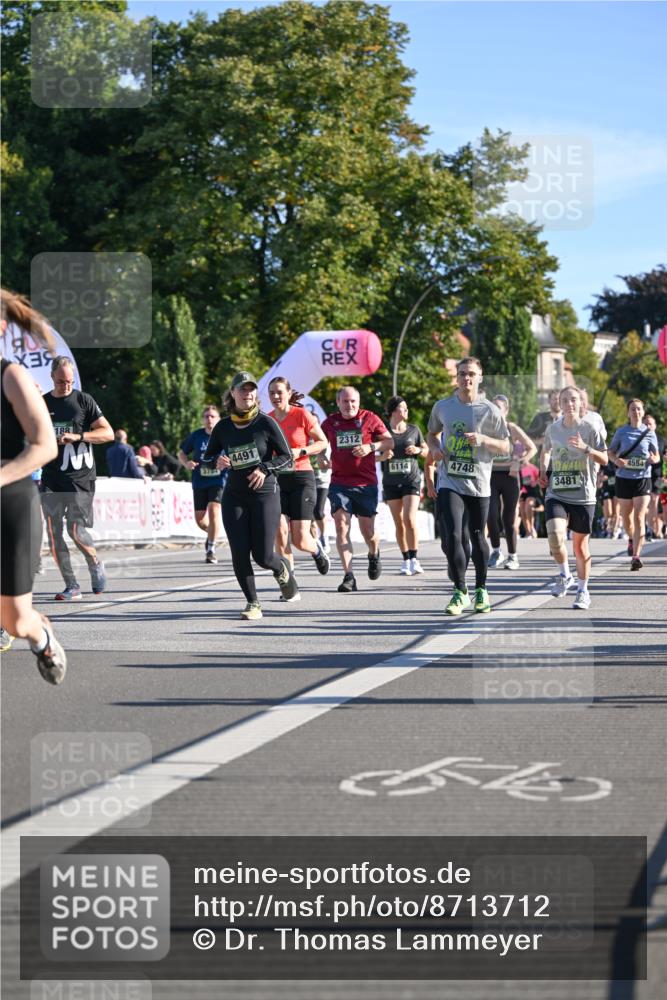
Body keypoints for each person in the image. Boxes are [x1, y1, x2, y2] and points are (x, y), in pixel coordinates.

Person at [0, 289, 67, 683]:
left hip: (11, 504)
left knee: (15, 620)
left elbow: (45, 445)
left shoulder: (11, 376)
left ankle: (42, 638)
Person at [201, 372, 298, 619]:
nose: (248, 394)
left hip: (265, 494)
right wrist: (217, 460)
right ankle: (253, 603)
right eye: (242, 390)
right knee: (239, 551)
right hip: (235, 494)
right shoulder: (223, 427)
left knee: (263, 556)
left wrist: (264, 469)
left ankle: (281, 569)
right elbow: (206, 456)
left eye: (251, 389)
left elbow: (287, 456)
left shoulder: (266, 423)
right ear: (232, 394)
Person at [427, 357, 510, 615]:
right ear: (457, 377)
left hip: (479, 482)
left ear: (480, 377)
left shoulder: (490, 411)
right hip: (450, 480)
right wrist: (435, 448)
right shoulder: (443, 407)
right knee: (452, 535)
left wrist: (484, 439)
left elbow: (506, 446)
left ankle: (481, 589)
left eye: (471, 374)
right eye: (462, 374)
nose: (467, 379)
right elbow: (431, 434)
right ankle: (459, 591)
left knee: (476, 536)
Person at [40, 356, 114, 601]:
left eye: (70, 382)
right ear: (52, 377)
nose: (66, 386)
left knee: (75, 529)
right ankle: (71, 585)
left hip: (79, 477)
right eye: (61, 382)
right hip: (51, 476)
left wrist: (79, 436)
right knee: (53, 532)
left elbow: (108, 433)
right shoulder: (42, 404)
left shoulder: (83, 400)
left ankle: (94, 561)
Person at [539, 385, 608, 609]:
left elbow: (605, 460)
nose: (570, 404)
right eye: (565, 400)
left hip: (583, 494)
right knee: (556, 537)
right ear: (560, 404)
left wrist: (586, 448)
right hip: (557, 492)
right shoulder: (553, 429)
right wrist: (543, 470)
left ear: (581, 404)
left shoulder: (590, 428)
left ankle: (582, 590)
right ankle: (565, 574)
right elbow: (546, 450)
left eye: (574, 400)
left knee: (580, 548)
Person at [320, 386, 393, 593]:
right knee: (341, 527)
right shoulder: (331, 422)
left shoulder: (370, 418)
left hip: (365, 483)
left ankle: (374, 552)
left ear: (358, 402)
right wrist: (319, 456)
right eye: (345, 401)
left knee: (367, 531)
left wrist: (371, 447)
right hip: (340, 483)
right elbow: (317, 441)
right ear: (338, 402)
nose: (349, 405)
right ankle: (348, 576)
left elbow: (389, 441)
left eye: (353, 401)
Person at [268, 377, 330, 585]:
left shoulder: (301, 414)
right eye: (272, 393)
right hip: (277, 479)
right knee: (279, 531)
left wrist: (301, 451)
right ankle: (288, 581)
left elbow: (322, 442)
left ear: (288, 393)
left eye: (279, 392)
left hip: (302, 478)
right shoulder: (267, 420)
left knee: (300, 540)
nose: (276, 397)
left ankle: (316, 550)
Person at [608, 399, 660, 570]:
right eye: (632, 409)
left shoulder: (650, 433)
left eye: (639, 409)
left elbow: (657, 456)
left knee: (639, 517)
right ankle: (631, 538)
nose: (636, 412)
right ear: (628, 413)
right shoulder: (621, 432)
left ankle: (636, 556)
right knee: (628, 519)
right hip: (623, 478)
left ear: (643, 412)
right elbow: (610, 452)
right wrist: (617, 460)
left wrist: (654, 459)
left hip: (642, 479)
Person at [379, 395, 428, 576]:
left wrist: (418, 450)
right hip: (391, 482)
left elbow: (427, 451)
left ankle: (415, 559)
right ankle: (405, 559)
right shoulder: (383, 432)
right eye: (403, 408)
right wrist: (382, 457)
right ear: (393, 411)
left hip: (411, 480)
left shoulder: (414, 430)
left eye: (407, 408)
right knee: (398, 522)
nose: (406, 411)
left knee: (409, 518)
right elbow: (370, 456)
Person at [487, 394, 536, 570]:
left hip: (510, 477)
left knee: (508, 518)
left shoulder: (511, 428)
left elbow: (532, 448)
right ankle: (496, 551)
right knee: (491, 515)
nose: (495, 411)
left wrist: (520, 461)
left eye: (498, 407)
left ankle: (513, 556)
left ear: (505, 411)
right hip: (491, 477)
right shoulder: (484, 428)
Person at [179, 405, 226, 564]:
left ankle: (210, 550)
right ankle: (212, 534)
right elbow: (182, 453)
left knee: (214, 509)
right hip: (200, 480)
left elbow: (235, 453)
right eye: (206, 416)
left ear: (218, 419)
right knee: (200, 521)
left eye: (213, 416)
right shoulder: (197, 436)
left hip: (219, 480)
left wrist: (228, 462)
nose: (209, 419)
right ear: (202, 419)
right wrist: (186, 463)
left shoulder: (225, 436)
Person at [518, 456, 541, 539]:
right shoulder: (519, 468)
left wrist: (535, 482)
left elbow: (540, 477)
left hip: (532, 491)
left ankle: (532, 528)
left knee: (529, 507)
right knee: (522, 511)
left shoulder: (533, 467)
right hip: (523, 491)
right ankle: (528, 532)